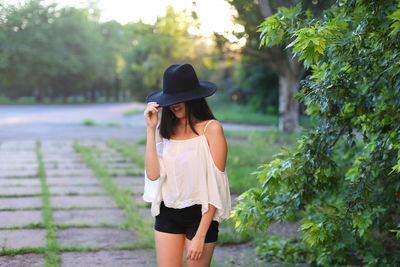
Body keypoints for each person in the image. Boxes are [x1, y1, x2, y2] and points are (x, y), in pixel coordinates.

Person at [143, 63, 231, 267]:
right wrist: (151, 129)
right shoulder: (162, 131)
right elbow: (154, 175)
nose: (174, 104)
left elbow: (215, 186)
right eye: (171, 99)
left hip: (201, 216)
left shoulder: (212, 129)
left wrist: (200, 235)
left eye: (180, 98)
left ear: (194, 97)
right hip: (167, 213)